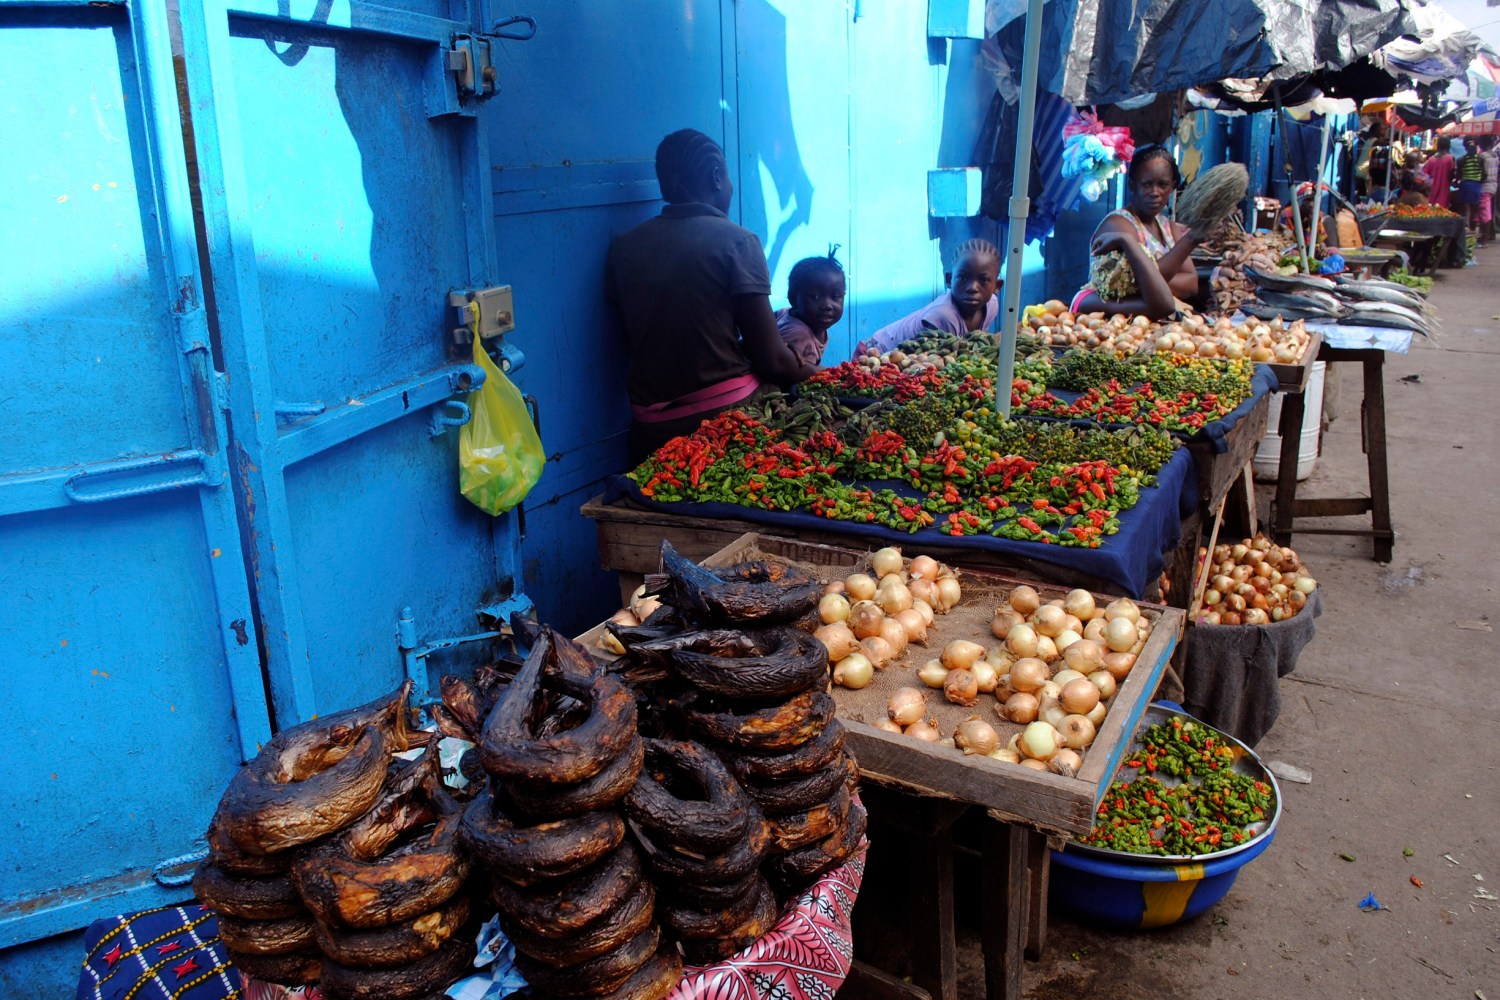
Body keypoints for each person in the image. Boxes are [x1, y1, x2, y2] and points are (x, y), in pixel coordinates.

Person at [606, 129, 817, 463]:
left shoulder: (623, 247)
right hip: (724, 420)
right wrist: (828, 376)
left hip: (649, 426)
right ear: (717, 177)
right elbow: (773, 360)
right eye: (728, 176)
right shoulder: (738, 241)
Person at [1071, 145, 1200, 320]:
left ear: (1172, 187)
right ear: (1132, 185)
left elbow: (1191, 283)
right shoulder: (1119, 224)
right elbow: (1140, 282)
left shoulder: (1168, 227)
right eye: (1147, 184)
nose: (1155, 192)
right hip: (1109, 312)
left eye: (1162, 185)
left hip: (1145, 317)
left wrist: (1151, 283)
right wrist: (1190, 240)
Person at [854, 239, 1001, 355]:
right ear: (949, 280)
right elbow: (949, 363)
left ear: (997, 286)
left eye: (983, 280)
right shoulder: (945, 316)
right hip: (874, 355)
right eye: (962, 278)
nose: (972, 288)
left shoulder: (992, 305)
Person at [775, 248, 846, 366]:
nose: (827, 305)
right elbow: (780, 369)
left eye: (835, 296)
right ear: (793, 299)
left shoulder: (787, 312)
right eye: (816, 297)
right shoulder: (799, 335)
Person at [1455, 140, 1486, 245]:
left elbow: (1458, 174)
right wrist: (1479, 181)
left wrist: (1457, 181)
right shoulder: (1481, 159)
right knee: (1474, 208)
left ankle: (1465, 226)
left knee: (1464, 207)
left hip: (1465, 185)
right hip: (1476, 185)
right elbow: (1484, 174)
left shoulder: (1462, 159)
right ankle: (1472, 227)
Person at [1421, 137, 1455, 210]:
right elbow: (1452, 175)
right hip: (1444, 191)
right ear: (1448, 146)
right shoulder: (1450, 159)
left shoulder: (1431, 159)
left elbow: (1424, 175)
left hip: (1431, 192)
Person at [1479, 135, 1497, 244]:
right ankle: (1489, 234)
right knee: (1489, 210)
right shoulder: (1495, 156)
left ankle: (1484, 237)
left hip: (1485, 186)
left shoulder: (1483, 156)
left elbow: (1482, 173)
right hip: (1494, 185)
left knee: (1484, 212)